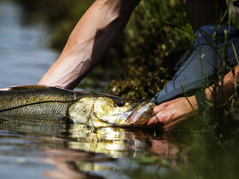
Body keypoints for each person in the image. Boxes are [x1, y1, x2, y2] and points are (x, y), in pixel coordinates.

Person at [37, 0, 239, 131]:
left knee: (155, 125)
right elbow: (111, 5)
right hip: (215, 36)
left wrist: (199, 101)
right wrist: (40, 95)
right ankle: (215, 38)